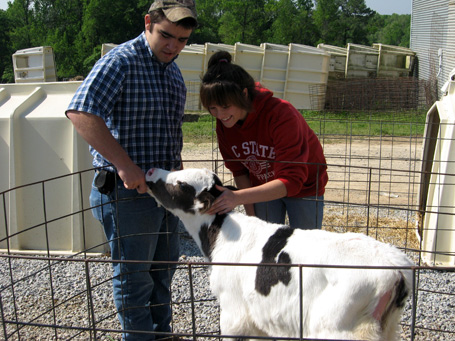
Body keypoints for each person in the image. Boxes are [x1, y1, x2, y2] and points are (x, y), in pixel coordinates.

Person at [65, 1, 197, 339]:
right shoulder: (120, 62)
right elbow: (81, 112)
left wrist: (178, 173)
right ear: (148, 23)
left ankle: (161, 334)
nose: (174, 46)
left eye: (182, 39)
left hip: (165, 191)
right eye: (167, 35)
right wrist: (124, 165)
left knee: (163, 270)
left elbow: (168, 130)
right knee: (134, 277)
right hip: (127, 194)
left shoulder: (172, 70)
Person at [200, 51, 328, 230]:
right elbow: (239, 170)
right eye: (212, 108)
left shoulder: (281, 114)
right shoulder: (225, 121)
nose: (219, 115)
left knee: (305, 246)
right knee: (266, 242)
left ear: (244, 95)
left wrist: (238, 197)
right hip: (263, 187)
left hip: (305, 186)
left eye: (225, 106)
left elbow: (292, 180)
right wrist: (253, 220)